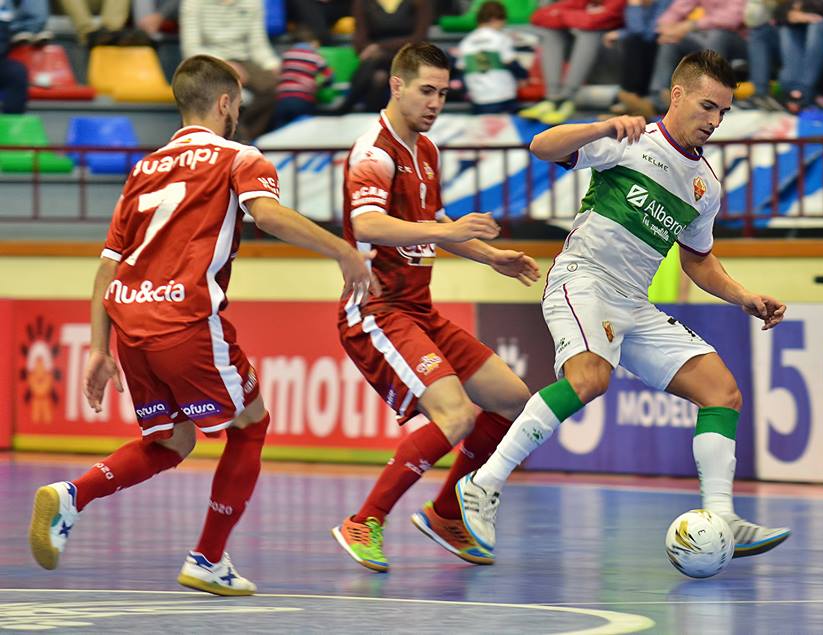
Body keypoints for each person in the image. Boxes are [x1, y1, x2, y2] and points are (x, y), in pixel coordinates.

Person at [27, 55, 378, 596]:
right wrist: (343, 252)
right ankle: (208, 558)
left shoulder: (144, 167)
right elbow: (268, 216)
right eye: (237, 103)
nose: (238, 112)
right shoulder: (242, 157)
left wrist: (99, 348)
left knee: (172, 440)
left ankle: (74, 495)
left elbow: (107, 267)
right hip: (184, 319)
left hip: (130, 323)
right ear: (224, 103)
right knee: (251, 424)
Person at [456, 50, 791, 562]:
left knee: (722, 392)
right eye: (707, 106)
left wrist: (744, 295)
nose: (715, 120)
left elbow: (698, 263)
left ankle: (721, 516)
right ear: (676, 95)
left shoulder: (706, 187)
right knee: (590, 378)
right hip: (582, 282)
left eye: (724, 112)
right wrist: (602, 126)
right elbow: (541, 146)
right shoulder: (629, 142)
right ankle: (483, 482)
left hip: (633, 304)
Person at [330, 42, 541, 572]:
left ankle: (446, 512)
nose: (436, 103)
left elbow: (438, 221)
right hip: (376, 311)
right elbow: (370, 225)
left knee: (514, 402)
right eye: (427, 90)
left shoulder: (426, 151)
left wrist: (490, 256)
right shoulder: (373, 153)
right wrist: (444, 230)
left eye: (444, 93)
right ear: (396, 85)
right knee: (455, 415)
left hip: (419, 311)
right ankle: (365, 520)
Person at [180, 0, 281, 141]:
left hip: (244, 59)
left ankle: (242, 137)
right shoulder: (192, 3)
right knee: (200, 87)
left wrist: (273, 65)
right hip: (206, 60)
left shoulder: (253, 2)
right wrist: (226, 64)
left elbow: (257, 45)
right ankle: (208, 139)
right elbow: (191, 48)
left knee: (274, 86)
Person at [519, 0, 626, 125]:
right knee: (551, 33)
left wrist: (561, 15)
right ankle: (553, 98)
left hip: (620, 54)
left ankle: (566, 98)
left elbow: (592, 22)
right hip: (590, 55)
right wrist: (581, 16)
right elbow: (538, 17)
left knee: (589, 33)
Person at [644, 0, 746, 113]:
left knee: (716, 36)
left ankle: (710, 97)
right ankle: (659, 97)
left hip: (740, 39)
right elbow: (676, 10)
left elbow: (732, 19)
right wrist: (667, 27)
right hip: (705, 35)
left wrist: (691, 25)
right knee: (672, 40)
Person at [338, 0, 432, 113]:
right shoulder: (363, 3)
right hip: (376, 60)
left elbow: (419, 38)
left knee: (376, 65)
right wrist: (372, 49)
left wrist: (380, 47)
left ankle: (348, 104)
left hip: (409, 56)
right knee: (378, 78)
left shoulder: (420, 2)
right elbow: (360, 39)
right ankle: (373, 122)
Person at [458, 0, 527, 115]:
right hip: (503, 95)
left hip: (478, 97)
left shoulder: (466, 42)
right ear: (496, 19)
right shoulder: (501, 38)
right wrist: (524, 76)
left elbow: (461, 68)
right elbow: (511, 62)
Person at [272, 31, 334, 129]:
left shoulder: (287, 55)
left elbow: (278, 72)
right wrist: (321, 86)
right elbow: (329, 76)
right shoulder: (315, 57)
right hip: (303, 98)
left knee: (279, 129)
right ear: (313, 42)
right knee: (304, 129)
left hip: (282, 98)